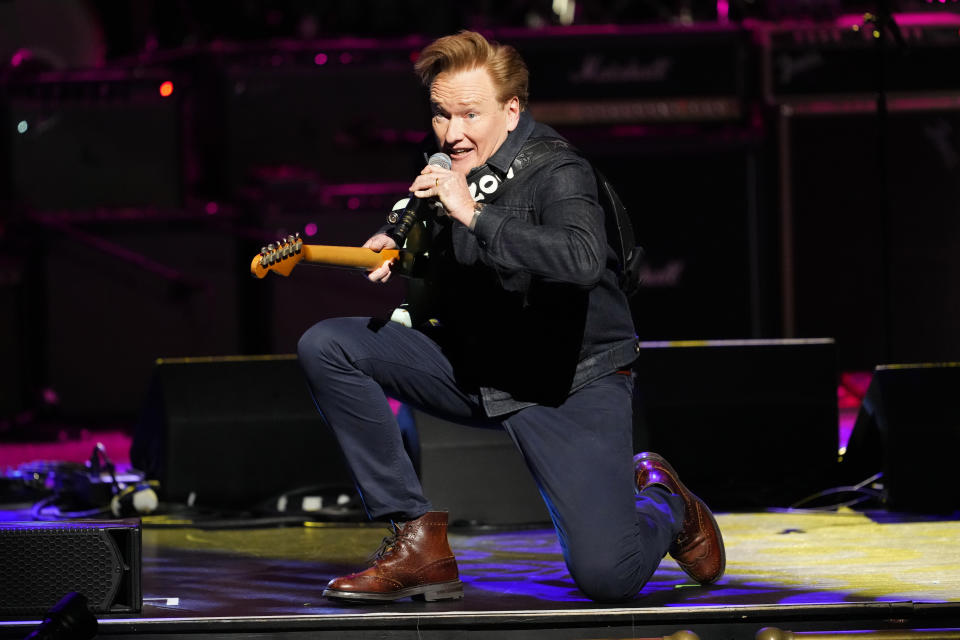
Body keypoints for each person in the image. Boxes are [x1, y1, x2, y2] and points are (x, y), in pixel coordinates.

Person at [297, 30, 724, 603]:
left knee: (608, 577)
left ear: (512, 109)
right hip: (477, 364)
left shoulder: (557, 170)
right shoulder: (448, 161)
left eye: (470, 114)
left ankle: (664, 499)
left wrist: (472, 214)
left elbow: (579, 259)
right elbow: (425, 229)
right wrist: (393, 240)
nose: (453, 133)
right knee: (328, 345)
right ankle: (415, 537)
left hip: (568, 380)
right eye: (442, 115)